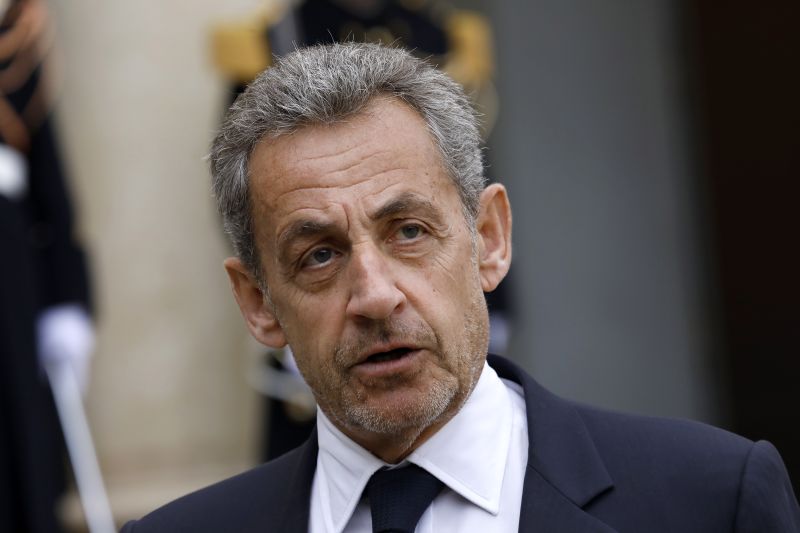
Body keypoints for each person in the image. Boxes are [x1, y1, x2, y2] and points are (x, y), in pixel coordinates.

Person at [122, 42, 799, 532]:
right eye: (319, 255)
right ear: (258, 303)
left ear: (490, 239)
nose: (375, 296)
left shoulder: (710, 499)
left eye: (409, 231)